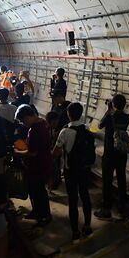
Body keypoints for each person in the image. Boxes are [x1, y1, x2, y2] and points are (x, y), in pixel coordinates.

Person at [53, 102, 95, 242]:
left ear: (68, 114)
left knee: (72, 200)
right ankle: (87, 225)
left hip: (70, 169)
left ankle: (75, 231)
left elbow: (56, 152)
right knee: (85, 196)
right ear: (81, 113)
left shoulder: (65, 131)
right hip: (84, 168)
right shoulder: (86, 129)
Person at [13, 104, 52, 225]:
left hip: (37, 166)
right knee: (35, 191)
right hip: (38, 165)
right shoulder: (41, 123)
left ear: (28, 116)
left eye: (23, 121)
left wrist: (17, 152)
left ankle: (44, 216)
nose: (23, 124)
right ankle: (37, 212)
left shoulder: (36, 129)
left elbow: (33, 153)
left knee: (39, 192)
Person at [95, 94, 129, 219]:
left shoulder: (109, 116)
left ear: (113, 104)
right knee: (121, 179)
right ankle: (122, 207)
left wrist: (108, 110)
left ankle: (106, 209)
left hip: (110, 153)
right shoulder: (128, 117)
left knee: (107, 181)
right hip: (122, 152)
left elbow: (99, 125)